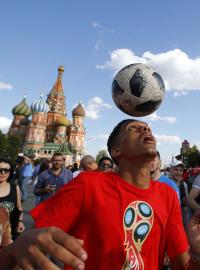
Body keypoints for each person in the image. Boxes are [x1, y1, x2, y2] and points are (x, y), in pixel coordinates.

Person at [30, 119, 199, 269]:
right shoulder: (88, 184)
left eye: (148, 129)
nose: (146, 130)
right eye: (134, 128)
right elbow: (34, 238)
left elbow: (181, 263)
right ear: (116, 151)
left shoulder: (167, 194)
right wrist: (24, 243)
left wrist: (197, 254)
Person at [0, 158, 25, 240]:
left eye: (6, 170)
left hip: (9, 234)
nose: (3, 173)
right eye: (0, 170)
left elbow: (19, 208)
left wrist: (20, 222)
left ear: (10, 172)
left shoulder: (15, 188)